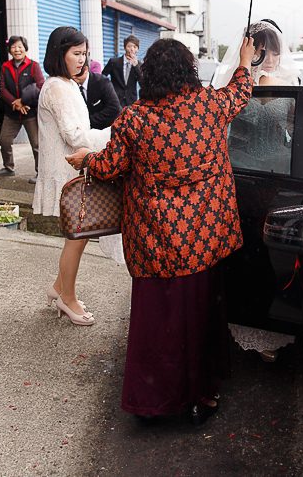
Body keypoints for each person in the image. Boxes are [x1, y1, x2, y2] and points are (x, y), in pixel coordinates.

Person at [68, 37, 255, 424]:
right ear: (189, 70)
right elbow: (241, 92)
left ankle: (154, 402)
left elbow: (107, 167)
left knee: (160, 325)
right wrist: (244, 61)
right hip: (205, 242)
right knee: (200, 319)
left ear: (148, 74)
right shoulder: (211, 106)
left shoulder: (135, 118)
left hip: (157, 243)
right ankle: (202, 397)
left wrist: (86, 159)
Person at [213, 19, 301, 362]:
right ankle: (233, 323)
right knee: (236, 252)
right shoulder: (232, 87)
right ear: (248, 51)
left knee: (267, 253)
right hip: (236, 178)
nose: (269, 57)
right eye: (261, 50)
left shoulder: (288, 86)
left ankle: (261, 326)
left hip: (275, 179)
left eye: (274, 50)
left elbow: (290, 136)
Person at [33, 26, 111, 326]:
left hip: (73, 170)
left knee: (78, 235)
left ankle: (57, 288)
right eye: (76, 54)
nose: (82, 60)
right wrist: (113, 135)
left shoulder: (64, 84)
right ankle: (68, 299)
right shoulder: (56, 88)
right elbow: (74, 134)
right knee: (77, 237)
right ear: (59, 53)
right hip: (68, 172)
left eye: (84, 54)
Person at [0, 36, 44, 183]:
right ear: (9, 50)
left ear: (25, 48)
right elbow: (2, 88)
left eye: (20, 46)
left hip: (30, 111)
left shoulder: (33, 65)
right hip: (12, 112)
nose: (17, 50)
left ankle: (40, 173)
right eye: (13, 47)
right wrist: (14, 103)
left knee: (36, 145)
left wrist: (23, 101)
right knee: (4, 141)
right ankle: (8, 168)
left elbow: (40, 85)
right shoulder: (5, 67)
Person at [102, 35, 142, 108]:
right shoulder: (114, 62)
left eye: (135, 47)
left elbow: (142, 82)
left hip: (131, 101)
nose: (132, 49)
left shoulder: (139, 66)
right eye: (129, 46)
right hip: (115, 100)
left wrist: (136, 66)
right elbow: (102, 77)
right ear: (124, 47)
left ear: (137, 49)